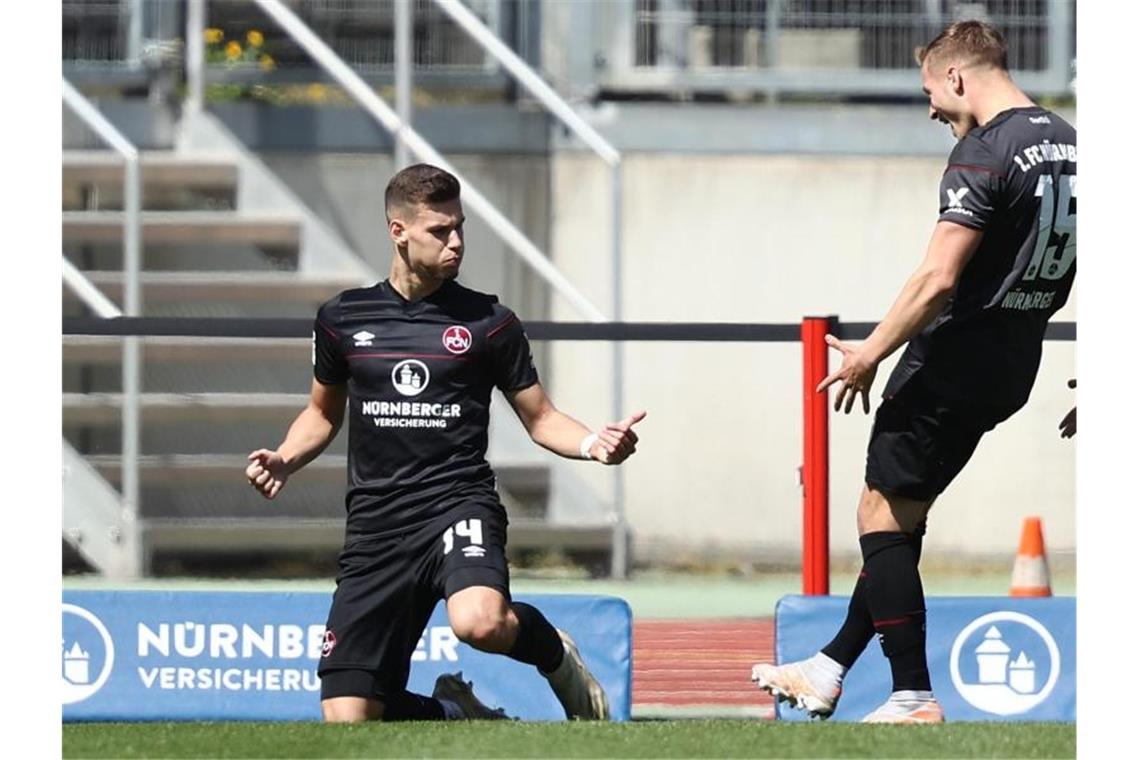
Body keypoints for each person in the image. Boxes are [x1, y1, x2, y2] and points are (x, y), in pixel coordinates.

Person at [750, 20, 1076, 724]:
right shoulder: (1074, 144)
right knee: (902, 515)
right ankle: (829, 666)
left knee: (879, 512)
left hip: (955, 357)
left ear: (958, 76)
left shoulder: (985, 153)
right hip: (1016, 358)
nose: (930, 107)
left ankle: (912, 696)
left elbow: (936, 278)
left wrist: (871, 351)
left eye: (929, 89)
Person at [245, 163, 646, 723]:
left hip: (456, 505)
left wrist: (592, 445)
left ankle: (554, 654)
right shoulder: (342, 319)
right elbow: (320, 413)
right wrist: (286, 457)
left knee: (479, 621)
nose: (456, 242)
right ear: (398, 231)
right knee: (348, 718)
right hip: (376, 526)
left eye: (460, 227)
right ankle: (455, 712)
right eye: (440, 230)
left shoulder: (488, 322)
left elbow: (541, 417)